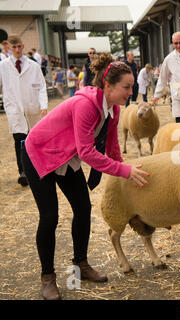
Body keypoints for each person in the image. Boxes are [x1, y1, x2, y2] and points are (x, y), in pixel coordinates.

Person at [21, 52, 150, 300]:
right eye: (126, 87)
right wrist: (124, 171)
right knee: (50, 216)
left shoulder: (113, 110)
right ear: (108, 85)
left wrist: (125, 177)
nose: (130, 92)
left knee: (82, 208)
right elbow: (87, 152)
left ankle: (80, 263)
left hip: (66, 158)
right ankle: (48, 277)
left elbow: (112, 149)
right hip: (40, 153)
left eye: (132, 87)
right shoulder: (86, 105)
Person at [0, 35, 47, 186]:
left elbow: (41, 87)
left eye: (19, 46)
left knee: (34, 140)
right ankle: (23, 172)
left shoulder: (33, 66)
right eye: (14, 47)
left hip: (32, 108)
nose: (18, 50)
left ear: (23, 45)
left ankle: (38, 169)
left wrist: (44, 106)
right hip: (15, 109)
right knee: (19, 140)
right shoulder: (3, 66)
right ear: (8, 47)